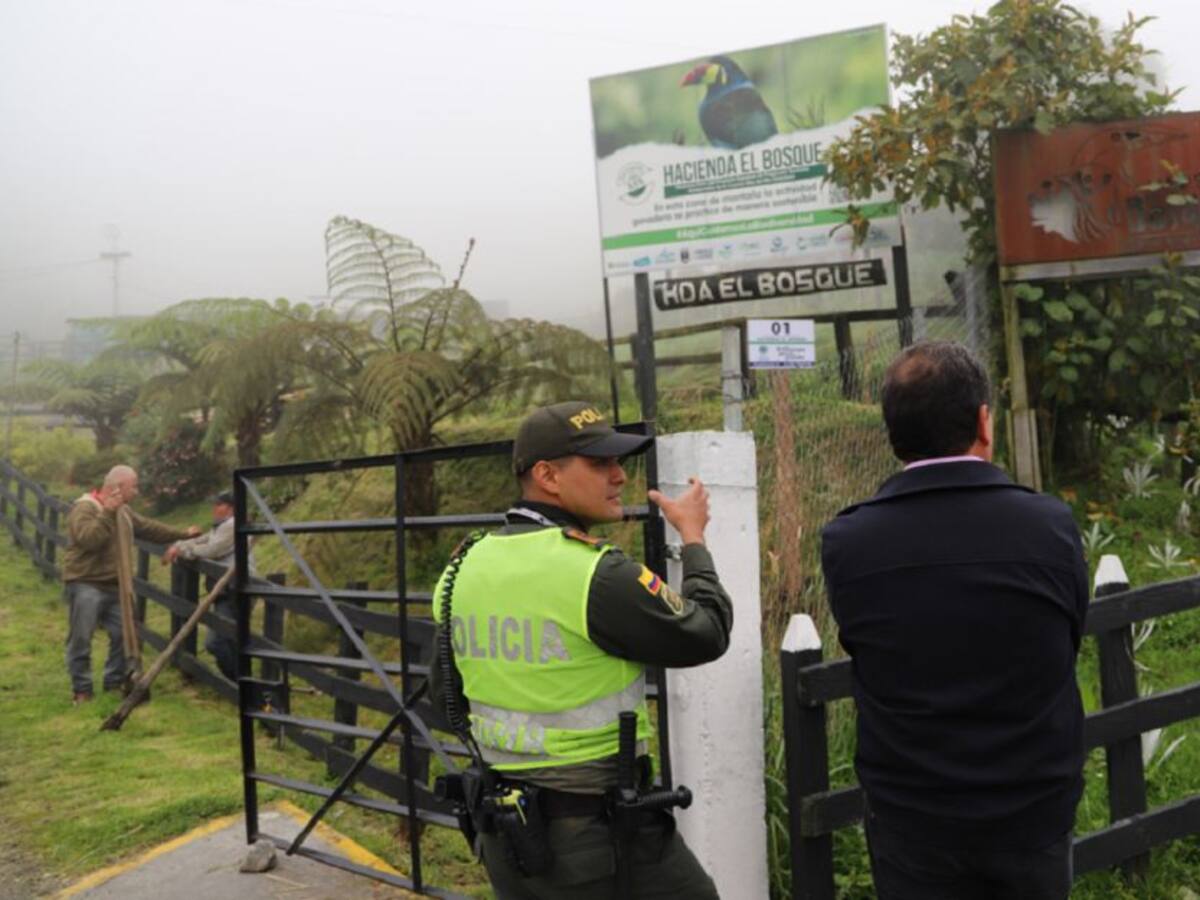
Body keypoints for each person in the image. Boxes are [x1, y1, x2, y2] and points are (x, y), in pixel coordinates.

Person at [432, 401, 731, 899]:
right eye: (599, 464)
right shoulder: (597, 573)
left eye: (618, 462)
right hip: (597, 836)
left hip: (506, 832)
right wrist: (694, 539)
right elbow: (708, 631)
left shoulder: (462, 566)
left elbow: (442, 696)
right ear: (547, 475)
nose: (618, 476)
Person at [821, 341, 1087, 900]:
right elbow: (1068, 639)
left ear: (893, 432)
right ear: (983, 421)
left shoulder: (849, 541)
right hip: (1031, 807)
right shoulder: (1049, 526)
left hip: (912, 815)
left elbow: (862, 647)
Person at [63, 465, 199, 704]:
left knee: (123, 635)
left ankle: (113, 683)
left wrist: (183, 533)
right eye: (133, 486)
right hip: (86, 583)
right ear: (117, 487)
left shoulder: (124, 511)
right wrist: (107, 512)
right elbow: (89, 540)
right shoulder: (84, 508)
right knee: (81, 638)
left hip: (115, 585)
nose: (136, 492)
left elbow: (147, 528)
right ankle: (82, 690)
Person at [164, 490, 248, 682]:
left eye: (218, 504)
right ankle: (239, 685)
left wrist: (183, 551)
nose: (213, 508)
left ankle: (238, 685)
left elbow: (211, 550)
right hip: (227, 590)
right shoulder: (222, 527)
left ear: (230, 508)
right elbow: (201, 540)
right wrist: (180, 545)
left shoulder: (232, 525)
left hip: (235, 589)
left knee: (216, 642)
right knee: (230, 639)